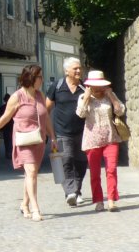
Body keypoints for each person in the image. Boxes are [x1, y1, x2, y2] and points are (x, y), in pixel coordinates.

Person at [0, 64, 55, 222]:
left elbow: (45, 117)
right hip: (24, 140)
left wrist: (53, 137)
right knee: (31, 172)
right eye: (40, 77)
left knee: (31, 174)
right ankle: (35, 209)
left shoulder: (40, 95)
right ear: (31, 78)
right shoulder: (17, 96)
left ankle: (24, 204)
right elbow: (5, 117)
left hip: (39, 140)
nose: (42, 80)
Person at [77, 70, 126, 212]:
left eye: (100, 85)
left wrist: (111, 96)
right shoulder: (83, 97)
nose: (97, 88)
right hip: (92, 139)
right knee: (95, 173)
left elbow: (120, 111)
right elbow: (80, 114)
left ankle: (111, 200)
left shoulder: (109, 95)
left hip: (111, 137)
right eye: (94, 85)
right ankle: (98, 201)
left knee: (111, 169)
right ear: (89, 86)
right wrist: (86, 98)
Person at [45, 56, 88, 206]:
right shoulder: (57, 86)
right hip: (62, 132)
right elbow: (46, 109)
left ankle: (77, 191)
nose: (78, 71)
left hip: (82, 132)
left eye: (80, 68)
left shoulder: (85, 87)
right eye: (75, 68)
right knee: (66, 161)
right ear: (66, 71)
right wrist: (49, 132)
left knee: (81, 162)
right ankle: (70, 192)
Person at [0, 94, 14, 159]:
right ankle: (10, 152)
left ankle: (7, 152)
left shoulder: (2, 107)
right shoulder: (13, 107)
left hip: (5, 125)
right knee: (11, 139)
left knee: (6, 140)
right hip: (12, 125)